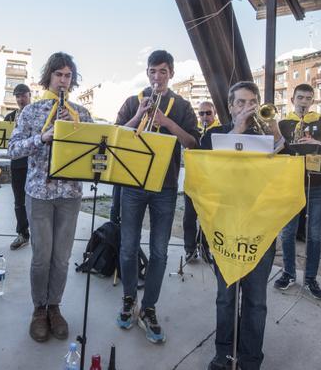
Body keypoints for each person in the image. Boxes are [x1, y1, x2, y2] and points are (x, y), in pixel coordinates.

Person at [8, 52, 93, 343]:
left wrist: (76, 131)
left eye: (68, 76)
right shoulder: (31, 112)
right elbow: (13, 149)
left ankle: (54, 307)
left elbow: (95, 152)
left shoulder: (82, 113)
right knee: (41, 257)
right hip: (39, 193)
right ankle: (39, 309)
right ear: (49, 77)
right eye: (59, 74)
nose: (63, 80)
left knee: (62, 258)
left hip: (70, 194)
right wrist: (42, 138)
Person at [115, 50, 199, 344]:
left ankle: (149, 307)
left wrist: (167, 123)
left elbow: (193, 143)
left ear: (171, 73)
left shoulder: (182, 106)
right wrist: (139, 116)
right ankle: (129, 299)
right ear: (147, 72)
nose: (157, 77)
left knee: (160, 252)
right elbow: (116, 135)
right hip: (132, 184)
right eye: (153, 71)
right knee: (128, 247)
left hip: (165, 186)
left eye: (163, 71)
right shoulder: (132, 101)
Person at [200, 81, 283, 370]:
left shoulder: (266, 135)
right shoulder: (215, 135)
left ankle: (250, 358)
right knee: (226, 297)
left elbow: (284, 169)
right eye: (241, 102)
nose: (247, 107)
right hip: (224, 226)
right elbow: (207, 170)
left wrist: (274, 130)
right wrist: (237, 129)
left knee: (256, 300)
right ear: (230, 106)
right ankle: (223, 353)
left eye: (252, 102)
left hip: (260, 227)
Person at [274, 83, 321, 300]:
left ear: (312, 101)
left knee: (314, 234)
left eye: (308, 98)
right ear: (292, 100)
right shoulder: (283, 124)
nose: (304, 102)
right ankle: (288, 273)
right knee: (288, 232)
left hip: (317, 184)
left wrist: (316, 142)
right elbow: (276, 152)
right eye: (300, 98)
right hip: (290, 183)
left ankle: (310, 279)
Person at [183, 101, 221, 261]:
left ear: (215, 113)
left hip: (212, 182)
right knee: (189, 217)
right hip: (193, 180)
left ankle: (205, 247)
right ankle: (190, 249)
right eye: (201, 113)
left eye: (208, 113)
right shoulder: (194, 131)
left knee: (209, 218)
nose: (205, 116)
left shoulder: (220, 131)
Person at [3, 83, 32, 250]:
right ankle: (23, 233)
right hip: (17, 163)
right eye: (18, 96)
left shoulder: (36, 113)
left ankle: (39, 234)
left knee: (36, 202)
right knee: (19, 201)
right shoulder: (9, 117)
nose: (21, 99)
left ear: (30, 96)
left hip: (34, 163)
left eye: (24, 95)